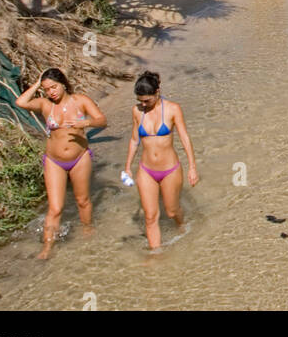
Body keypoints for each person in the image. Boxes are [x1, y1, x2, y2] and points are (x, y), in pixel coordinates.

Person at [15, 68, 107, 259]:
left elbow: (102, 120)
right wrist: (37, 83)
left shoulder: (80, 101)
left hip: (80, 157)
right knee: (55, 208)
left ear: (63, 84)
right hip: (54, 160)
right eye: (47, 89)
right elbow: (20, 102)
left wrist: (86, 123)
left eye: (54, 87)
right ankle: (47, 248)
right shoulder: (44, 104)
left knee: (82, 200)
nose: (51, 92)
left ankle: (87, 232)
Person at [124, 71, 198, 251]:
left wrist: (192, 167)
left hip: (170, 169)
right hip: (146, 170)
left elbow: (184, 138)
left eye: (146, 100)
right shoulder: (136, 111)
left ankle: (182, 225)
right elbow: (135, 140)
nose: (143, 104)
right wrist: (127, 168)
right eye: (140, 100)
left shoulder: (173, 109)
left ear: (157, 92)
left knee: (171, 211)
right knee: (150, 216)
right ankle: (156, 256)